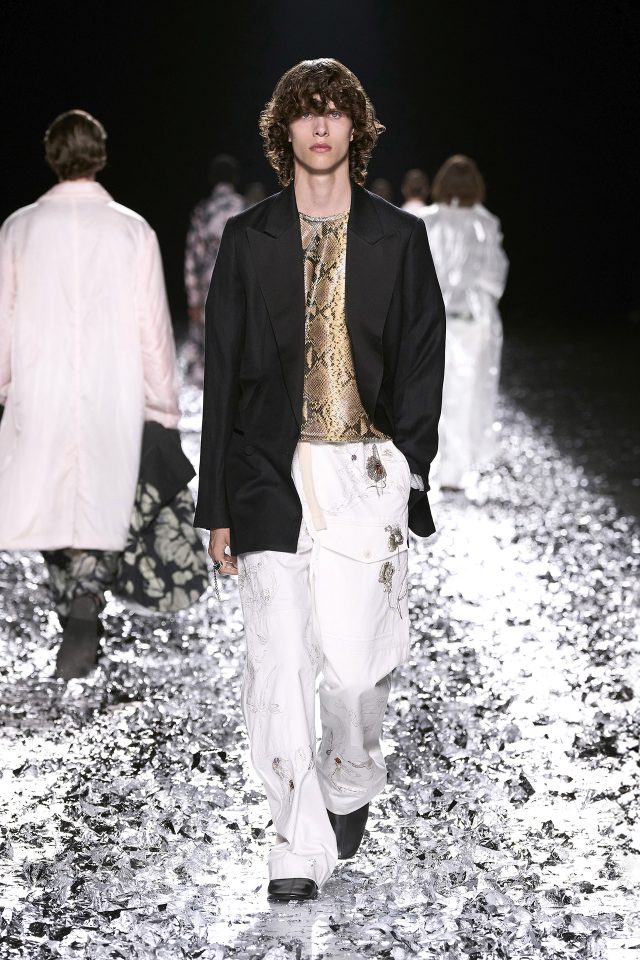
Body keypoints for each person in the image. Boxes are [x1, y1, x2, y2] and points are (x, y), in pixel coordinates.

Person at [194, 58, 445, 902]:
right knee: (278, 665)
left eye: (337, 110)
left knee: (352, 669)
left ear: (357, 128)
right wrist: (217, 503)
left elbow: (422, 361)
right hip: (267, 469)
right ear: (285, 130)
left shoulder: (399, 239)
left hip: (363, 471)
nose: (322, 123)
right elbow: (222, 373)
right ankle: (294, 842)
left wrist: (406, 467)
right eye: (306, 111)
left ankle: (350, 771)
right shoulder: (248, 238)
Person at [0, 110, 180, 680]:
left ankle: (74, 612)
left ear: (52, 155)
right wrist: (163, 403)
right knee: (103, 500)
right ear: (100, 155)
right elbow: (152, 326)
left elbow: (3, 316)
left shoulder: (19, 228)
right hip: (112, 385)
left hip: (41, 384)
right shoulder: (131, 229)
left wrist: (4, 383)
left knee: (54, 502)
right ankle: (84, 607)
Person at [420, 155, 509, 492]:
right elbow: (495, 276)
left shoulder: (426, 221)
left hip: (430, 320)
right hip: (470, 319)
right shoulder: (485, 223)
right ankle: (452, 472)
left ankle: (425, 465)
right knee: (464, 392)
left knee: (429, 391)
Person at [183, 154, 246, 384]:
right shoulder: (245, 207)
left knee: (209, 348)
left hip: (208, 284)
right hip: (239, 283)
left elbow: (193, 254)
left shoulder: (203, 210)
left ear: (212, 179)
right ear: (235, 178)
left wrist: (193, 298)